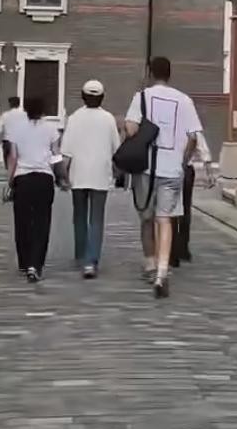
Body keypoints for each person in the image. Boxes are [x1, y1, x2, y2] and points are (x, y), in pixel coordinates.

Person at [125, 57, 202, 299]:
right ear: (170, 74)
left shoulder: (142, 97)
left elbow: (130, 128)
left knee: (146, 218)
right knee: (165, 219)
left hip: (146, 168)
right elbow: (193, 137)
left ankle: (150, 262)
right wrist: (182, 160)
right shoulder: (184, 100)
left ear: (150, 73)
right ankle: (162, 272)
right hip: (172, 169)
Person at [61, 80, 120, 279]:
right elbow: (116, 150)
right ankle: (91, 260)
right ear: (102, 97)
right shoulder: (108, 119)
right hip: (100, 175)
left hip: (78, 174)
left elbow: (66, 152)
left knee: (79, 216)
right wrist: (118, 173)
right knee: (96, 218)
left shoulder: (74, 118)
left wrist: (62, 175)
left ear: (83, 96)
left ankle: (80, 254)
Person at [7, 96, 61, 283]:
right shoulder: (51, 129)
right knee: (41, 222)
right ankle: (35, 264)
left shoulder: (16, 128)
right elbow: (56, 155)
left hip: (22, 177)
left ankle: (24, 260)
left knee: (22, 221)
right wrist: (60, 175)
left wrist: (9, 180)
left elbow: (13, 157)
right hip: (44, 177)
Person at [170, 130, 213, 267]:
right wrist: (209, 172)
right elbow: (201, 145)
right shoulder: (189, 121)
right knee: (183, 209)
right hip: (184, 168)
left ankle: (172, 249)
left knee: (169, 210)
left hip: (169, 169)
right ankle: (181, 248)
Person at [0, 97, 27, 169]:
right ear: (19, 104)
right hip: (21, 142)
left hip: (8, 141)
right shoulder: (25, 115)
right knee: (21, 165)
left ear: (10, 104)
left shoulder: (5, 115)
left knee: (8, 166)